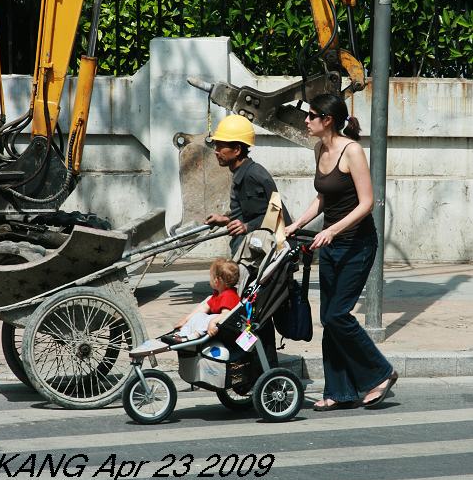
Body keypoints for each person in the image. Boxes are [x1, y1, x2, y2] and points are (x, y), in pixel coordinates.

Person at [284, 93, 397, 411]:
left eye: (311, 116)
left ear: (327, 120)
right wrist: (298, 223)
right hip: (331, 245)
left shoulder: (352, 151)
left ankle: (380, 373)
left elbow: (367, 202)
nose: (306, 121)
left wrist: (332, 229)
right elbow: (323, 197)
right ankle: (340, 391)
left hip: (357, 245)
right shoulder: (320, 149)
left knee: (337, 315)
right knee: (328, 319)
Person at [205, 114, 291, 366]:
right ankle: (257, 366)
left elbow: (275, 213)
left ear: (237, 149)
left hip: (257, 260)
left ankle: (262, 367)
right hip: (246, 252)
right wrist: (226, 219)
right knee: (250, 317)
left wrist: (246, 225)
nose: (216, 151)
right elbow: (253, 211)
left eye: (221, 146)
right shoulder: (243, 172)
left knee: (252, 315)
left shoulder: (253, 175)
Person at [169, 258, 240, 342]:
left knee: (210, 317)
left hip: (224, 328)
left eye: (211, 277)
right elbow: (203, 308)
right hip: (214, 324)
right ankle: (182, 333)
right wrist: (185, 320)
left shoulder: (229, 295)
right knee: (198, 315)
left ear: (216, 281)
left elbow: (227, 314)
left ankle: (195, 335)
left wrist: (213, 322)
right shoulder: (217, 294)